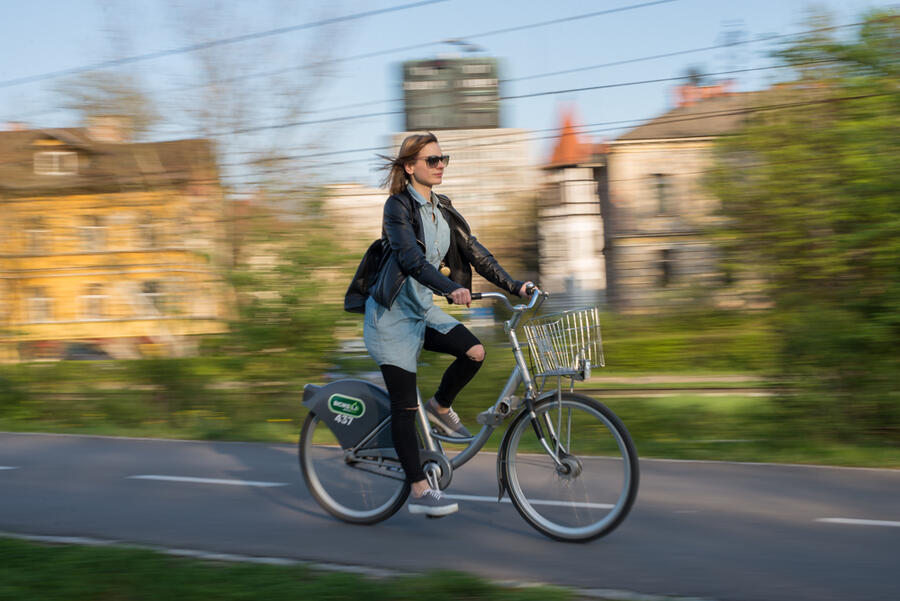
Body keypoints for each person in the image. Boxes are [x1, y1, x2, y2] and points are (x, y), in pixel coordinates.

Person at [363, 132, 530, 518]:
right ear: (410, 167)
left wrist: (515, 285)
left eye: (443, 159)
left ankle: (440, 404)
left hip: (422, 311)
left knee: (474, 351)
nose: (440, 166)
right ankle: (419, 490)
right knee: (405, 407)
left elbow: (475, 252)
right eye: (432, 160)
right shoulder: (397, 207)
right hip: (391, 319)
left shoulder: (442, 208)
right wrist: (451, 287)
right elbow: (409, 260)